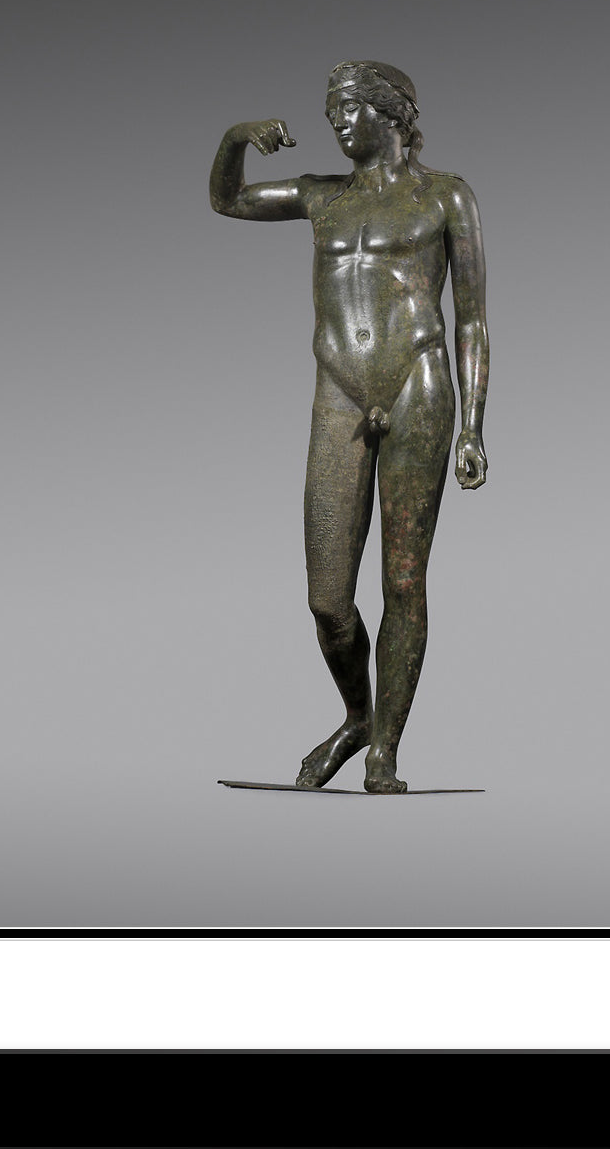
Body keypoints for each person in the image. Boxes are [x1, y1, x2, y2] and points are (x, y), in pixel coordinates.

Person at [210, 61, 489, 793]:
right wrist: (236, 136)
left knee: (404, 580)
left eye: (346, 108)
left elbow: (472, 320)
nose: (335, 121)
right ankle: (358, 716)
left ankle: (383, 752)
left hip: (418, 386)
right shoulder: (321, 196)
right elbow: (228, 200)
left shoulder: (445, 195)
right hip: (339, 389)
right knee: (328, 601)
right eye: (330, 110)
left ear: (390, 113)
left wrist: (473, 424)